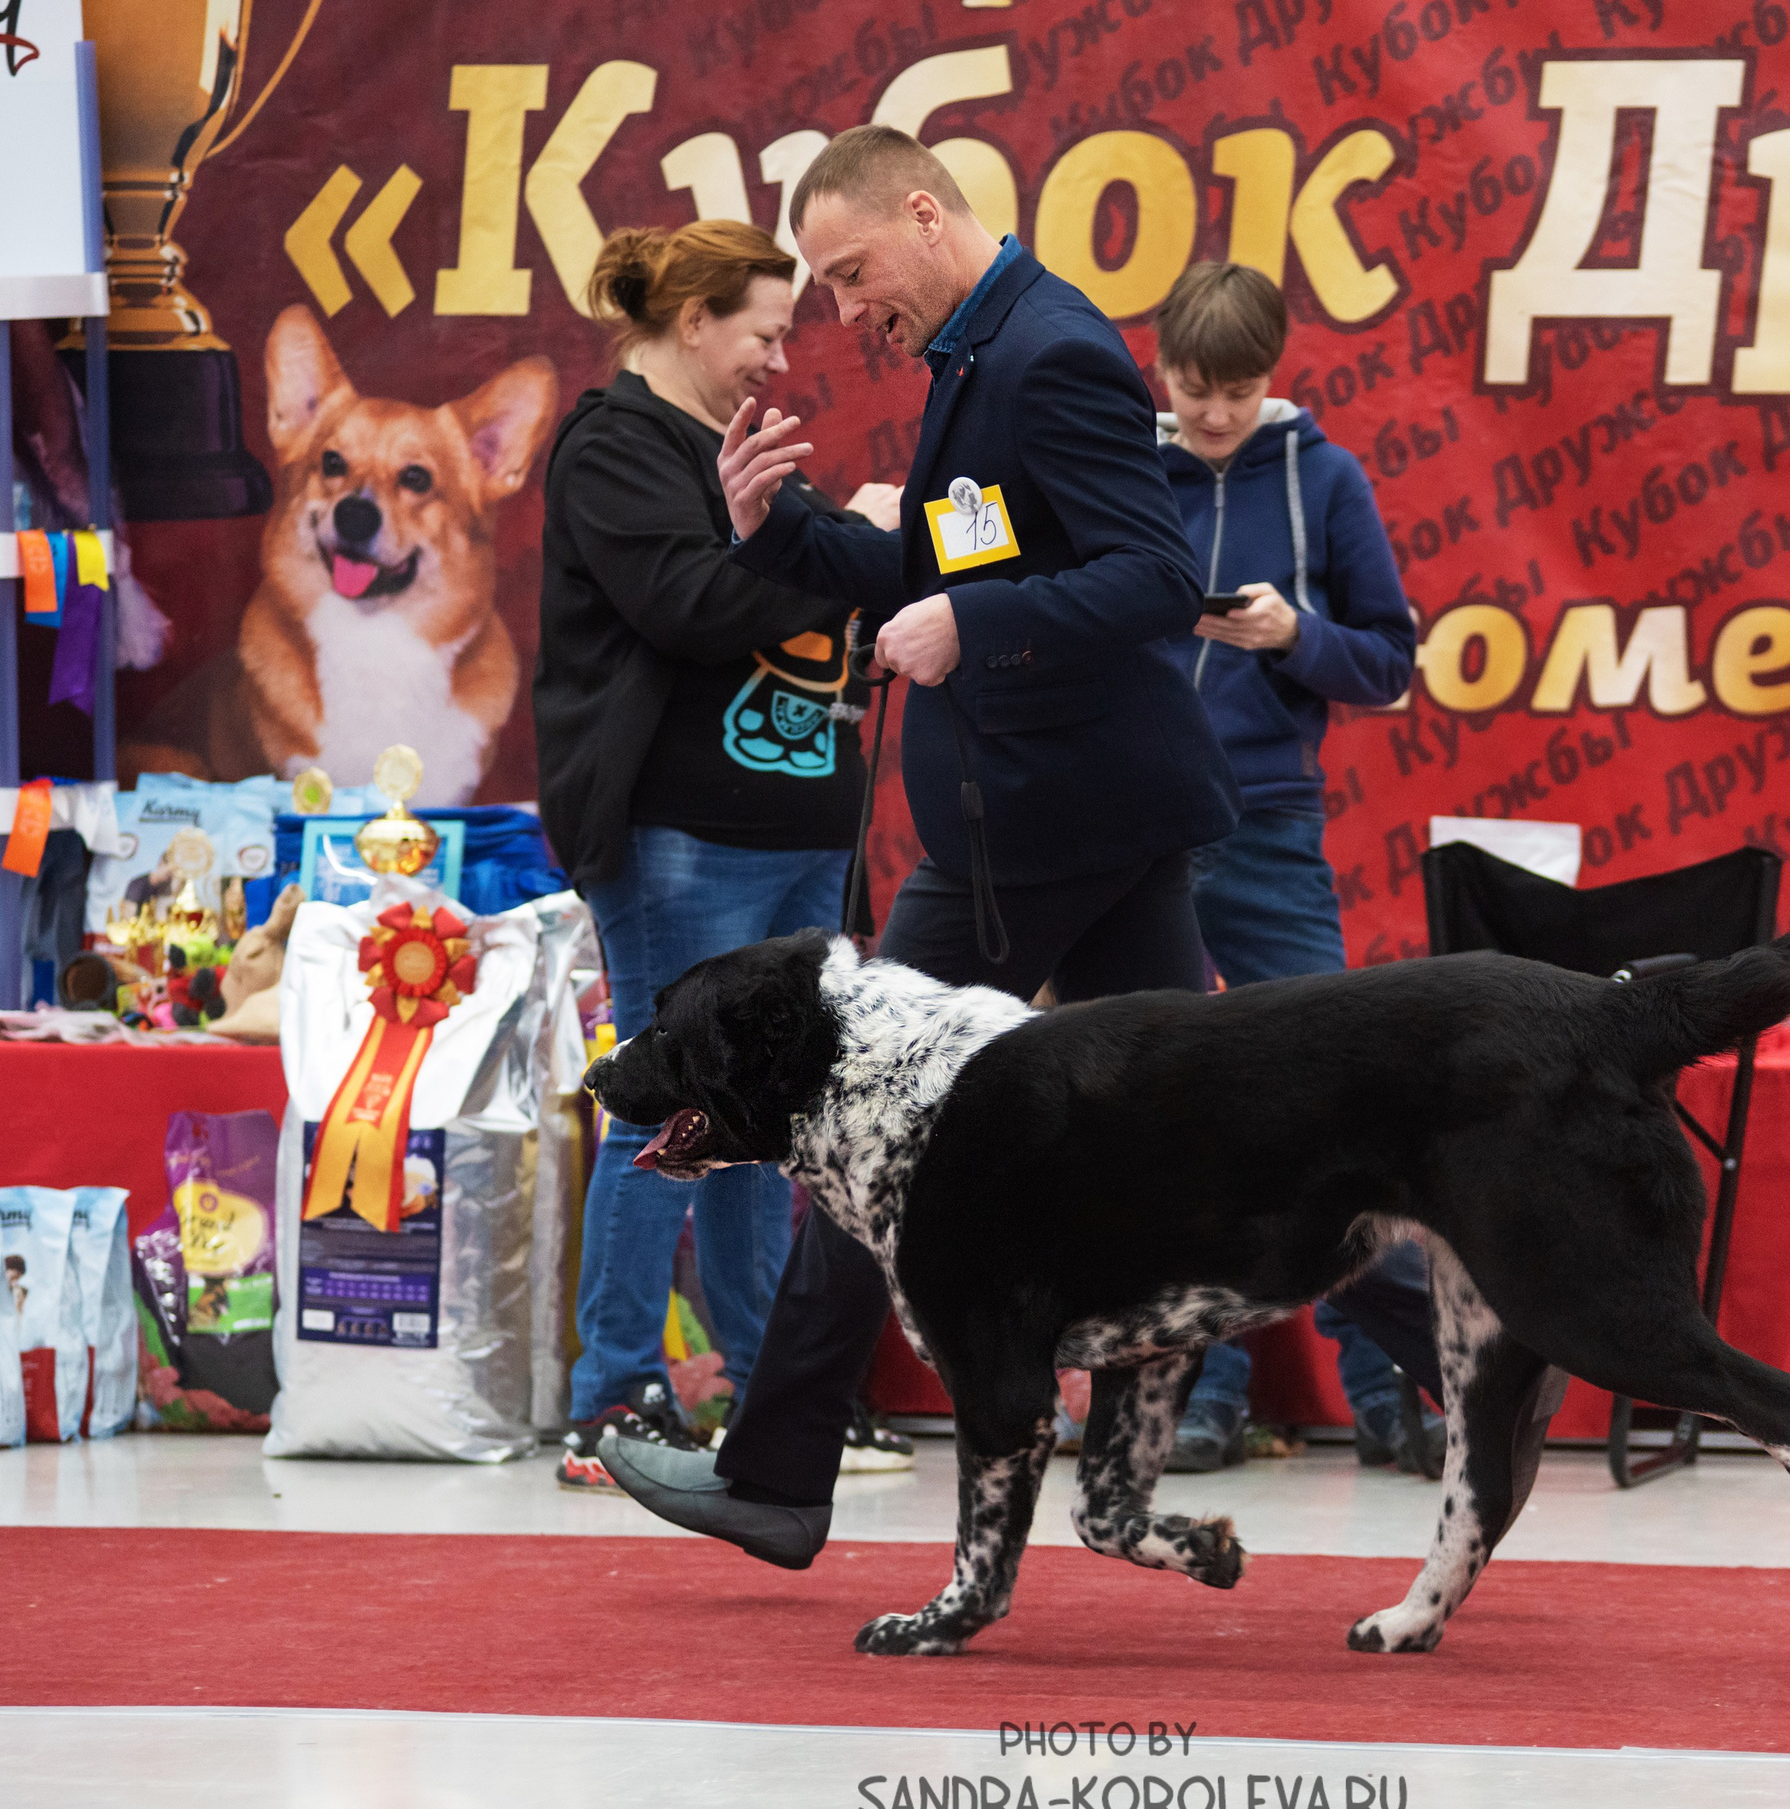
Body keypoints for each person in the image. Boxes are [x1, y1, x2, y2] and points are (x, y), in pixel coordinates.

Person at [598, 126, 1446, 1570]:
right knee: (1214, 1138)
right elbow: (936, 568)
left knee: (857, 1111)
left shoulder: (1049, 353)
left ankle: (776, 1470)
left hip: (1041, 826)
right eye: (824, 284)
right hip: (1084, 822)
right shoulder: (975, 359)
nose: (844, 310)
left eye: (853, 272)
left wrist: (970, 625)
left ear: (926, 218)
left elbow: (1151, 574)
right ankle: (1462, 1339)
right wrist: (780, 529)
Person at [534, 218, 908, 1496]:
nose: (779, 355)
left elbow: (807, 577)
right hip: (683, 836)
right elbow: (694, 604)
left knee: (773, 1118)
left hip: (801, 833)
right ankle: (613, 1391)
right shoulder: (615, 446)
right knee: (671, 1098)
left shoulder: (741, 449)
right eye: (763, 329)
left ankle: (778, 1388)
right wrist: (833, 552)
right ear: (690, 322)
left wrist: (867, 540)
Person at [1144, 262, 1446, 1477]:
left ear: (1275, 376)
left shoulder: (1322, 476)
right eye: (1193, 388)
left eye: (1238, 389)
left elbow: (1389, 661)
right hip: (1138, 827)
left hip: (1266, 823)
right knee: (1163, 1114)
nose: (1215, 413)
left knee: (1338, 1108)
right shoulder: (1119, 466)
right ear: (1159, 371)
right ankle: (1200, 1388)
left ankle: (1392, 1385)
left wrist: (1291, 636)